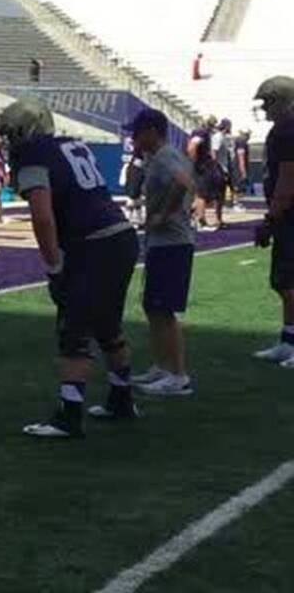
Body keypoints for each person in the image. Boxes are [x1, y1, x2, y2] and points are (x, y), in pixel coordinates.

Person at [0, 100, 140, 439]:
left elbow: (43, 216)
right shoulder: (71, 145)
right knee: (107, 324)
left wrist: (53, 266)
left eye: (12, 131)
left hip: (92, 243)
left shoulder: (32, 153)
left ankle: (69, 415)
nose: (7, 139)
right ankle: (121, 398)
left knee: (73, 328)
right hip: (120, 237)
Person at [125, 109, 196, 396]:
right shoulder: (160, 157)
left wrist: (163, 215)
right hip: (163, 242)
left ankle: (178, 375)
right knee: (153, 306)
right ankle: (163, 366)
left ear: (152, 131)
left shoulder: (166, 157)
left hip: (172, 242)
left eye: (138, 132)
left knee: (164, 309)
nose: (134, 138)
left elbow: (183, 183)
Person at [252, 76, 294, 367]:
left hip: (291, 215)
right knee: (284, 282)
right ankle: (288, 340)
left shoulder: (287, 131)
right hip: (288, 214)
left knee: (289, 282)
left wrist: (271, 218)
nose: (264, 108)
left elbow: (287, 180)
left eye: (268, 101)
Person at [188, 117, 223, 230]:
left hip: (202, 166)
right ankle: (201, 222)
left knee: (200, 195)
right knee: (202, 194)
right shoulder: (201, 133)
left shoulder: (202, 132)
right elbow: (192, 147)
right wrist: (195, 162)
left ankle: (191, 217)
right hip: (202, 167)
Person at [234, 129, 252, 204]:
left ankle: (237, 202)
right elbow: (241, 156)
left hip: (237, 167)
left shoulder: (238, 140)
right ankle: (237, 203)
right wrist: (243, 171)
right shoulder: (242, 142)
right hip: (239, 169)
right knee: (240, 187)